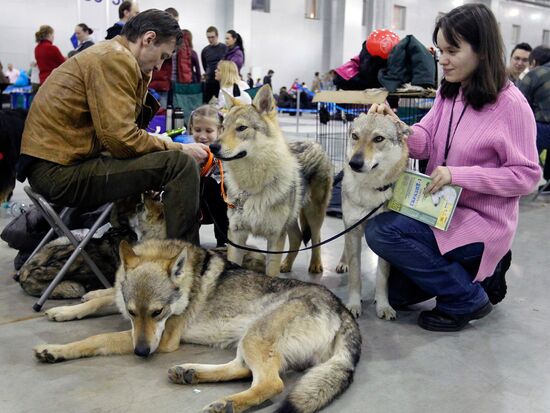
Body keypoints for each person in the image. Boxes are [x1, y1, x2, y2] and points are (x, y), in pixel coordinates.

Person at [365, 3, 541, 332]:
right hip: (440, 213)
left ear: (482, 51)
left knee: (382, 231)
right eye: (440, 50)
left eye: (452, 50)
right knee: (396, 295)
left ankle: (468, 296)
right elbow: (426, 140)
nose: (442, 59)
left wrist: (458, 176)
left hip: (480, 223)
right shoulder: (450, 93)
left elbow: (527, 177)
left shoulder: (511, 106)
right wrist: (396, 130)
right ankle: (479, 275)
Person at [18, 10, 208, 245]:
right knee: (181, 164)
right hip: (58, 174)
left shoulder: (111, 54)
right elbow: (121, 140)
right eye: (163, 56)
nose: (160, 66)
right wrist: (178, 148)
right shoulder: (115, 58)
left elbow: (119, 136)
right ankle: (185, 263)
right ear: (148, 39)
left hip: (56, 166)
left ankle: (124, 243)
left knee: (157, 158)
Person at [189, 105, 228, 247]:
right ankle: (189, 240)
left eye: (209, 131)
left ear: (220, 131)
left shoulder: (226, 155)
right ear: (191, 128)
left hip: (221, 210)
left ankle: (223, 241)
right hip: (195, 209)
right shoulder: (188, 152)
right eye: (197, 130)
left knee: (215, 184)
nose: (202, 136)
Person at [518, 45, 550, 184]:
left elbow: (519, 103)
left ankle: (521, 180)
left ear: (534, 62)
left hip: (542, 129)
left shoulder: (534, 74)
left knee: (519, 145)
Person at [201, 26, 227, 104]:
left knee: (221, 105)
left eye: (212, 37)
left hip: (221, 82)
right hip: (209, 81)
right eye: (208, 37)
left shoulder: (224, 48)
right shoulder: (205, 51)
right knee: (205, 104)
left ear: (217, 36)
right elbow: (205, 66)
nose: (210, 39)